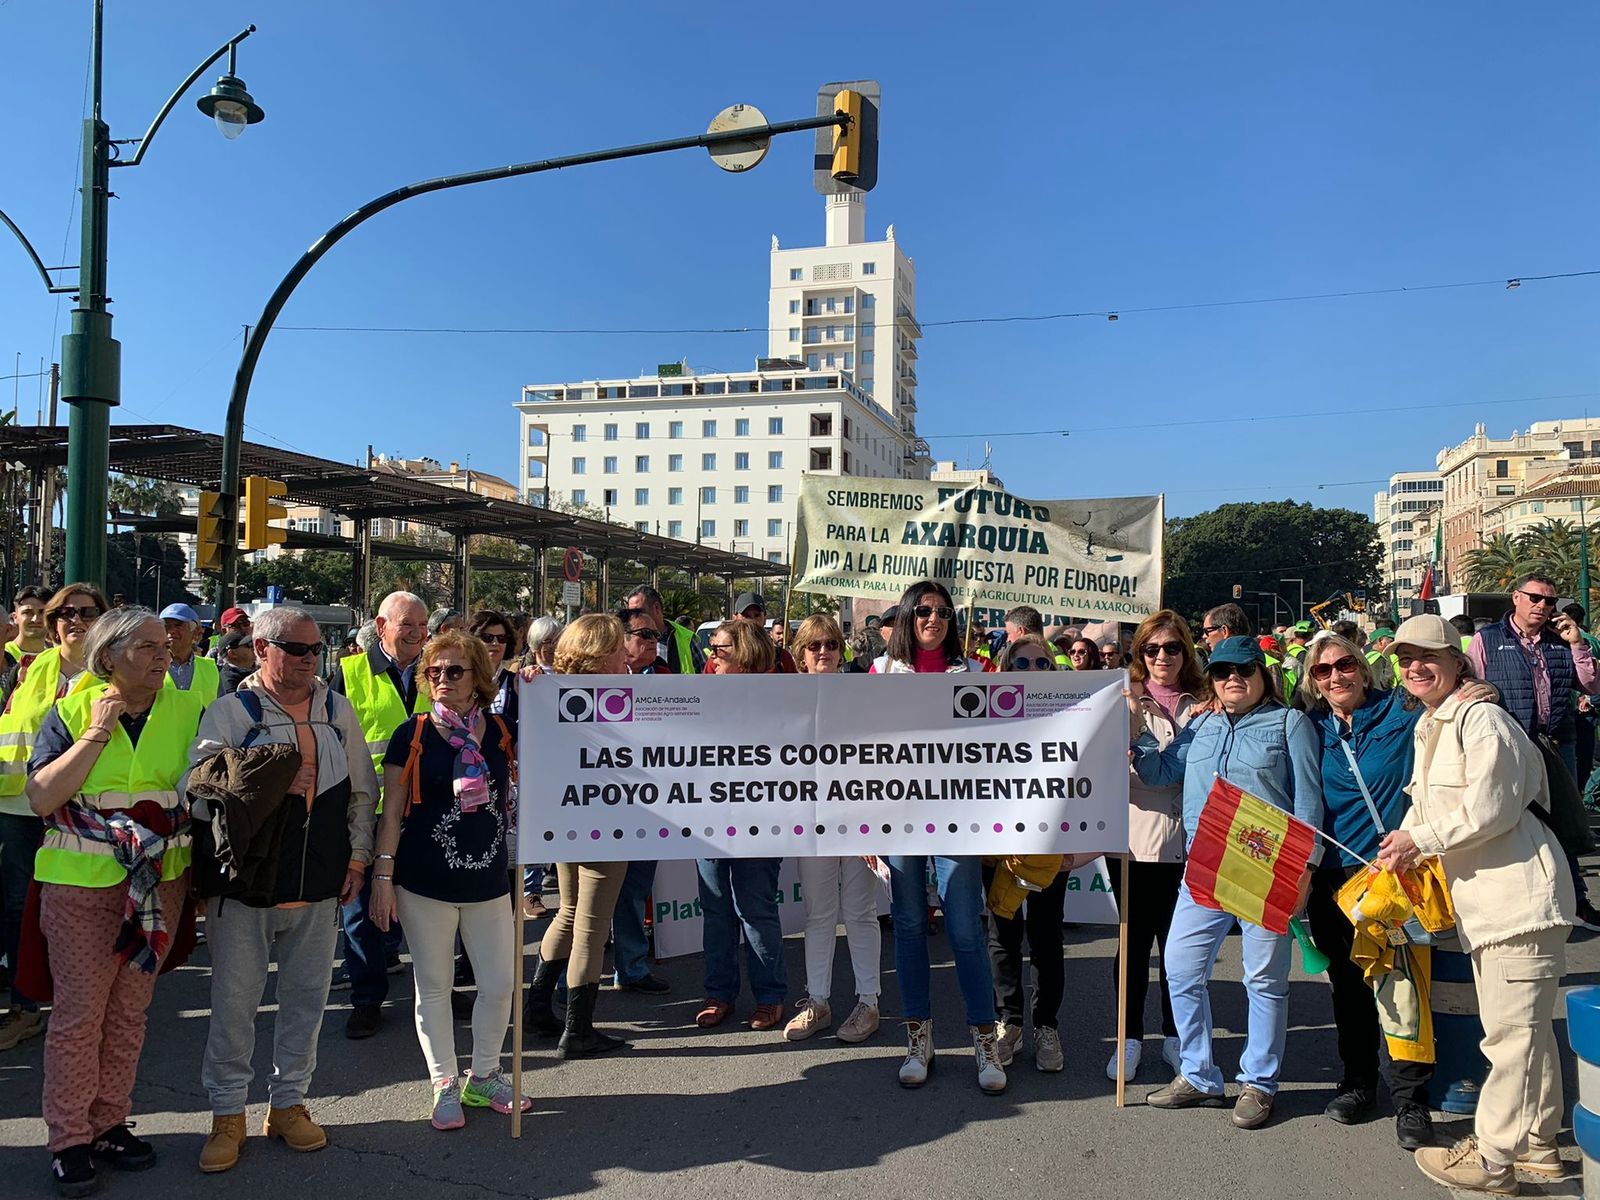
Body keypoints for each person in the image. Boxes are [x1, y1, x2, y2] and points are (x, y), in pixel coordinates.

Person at [1379, 614, 1577, 1194]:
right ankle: (1538, 1148)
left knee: (1510, 1038)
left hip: (1520, 900)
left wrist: (1422, 840)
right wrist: (1401, 845)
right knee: (1526, 1033)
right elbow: (1430, 808)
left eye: (1429, 657)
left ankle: (1492, 1159)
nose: (1416, 667)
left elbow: (1494, 806)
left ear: (1458, 662)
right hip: (1490, 905)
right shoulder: (1432, 724)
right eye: (1405, 658)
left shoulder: (1480, 718)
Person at [187, 607, 379, 1171]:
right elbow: (196, 790)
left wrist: (359, 858)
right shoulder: (228, 711)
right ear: (263, 648)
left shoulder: (337, 709)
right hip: (244, 886)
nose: (309, 660)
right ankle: (227, 1114)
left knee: (306, 1003)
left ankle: (289, 1103)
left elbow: (362, 794)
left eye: (315, 650)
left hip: (319, 882)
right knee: (234, 1006)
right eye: (296, 650)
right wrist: (265, 777)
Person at [25, 606, 203, 1194]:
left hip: (159, 884)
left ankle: (107, 1123)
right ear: (109, 658)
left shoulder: (187, 710)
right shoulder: (73, 710)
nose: (163, 655)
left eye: (165, 645)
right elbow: (41, 796)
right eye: (148, 646)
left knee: (128, 1013)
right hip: (81, 887)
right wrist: (96, 731)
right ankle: (69, 1137)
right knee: (79, 1019)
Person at [1134, 636, 1322, 1129]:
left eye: (1243, 670)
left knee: (1263, 980)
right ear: (1211, 679)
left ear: (1262, 674)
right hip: (1204, 867)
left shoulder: (1290, 723)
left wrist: (1306, 870)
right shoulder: (1202, 725)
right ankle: (1198, 1074)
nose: (1232, 679)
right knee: (1179, 968)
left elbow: (1307, 803)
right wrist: (1136, 733)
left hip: (1267, 869)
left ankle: (1258, 1082)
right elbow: (1159, 772)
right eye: (1221, 672)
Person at [370, 629, 529, 1128]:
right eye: (434, 671)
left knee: (500, 983)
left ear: (477, 678)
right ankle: (443, 1082)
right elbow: (391, 812)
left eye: (454, 671)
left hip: (488, 881)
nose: (441, 679)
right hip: (423, 882)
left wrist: (543, 682)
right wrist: (382, 875)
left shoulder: (503, 732)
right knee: (434, 986)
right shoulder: (412, 734)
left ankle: (483, 1076)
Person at [1298, 632, 1439, 1151]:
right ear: (1312, 680)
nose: (1336, 676)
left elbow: (1445, 695)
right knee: (1349, 988)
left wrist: (1477, 689)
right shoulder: (1309, 727)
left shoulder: (1402, 715)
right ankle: (1359, 1084)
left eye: (1345, 664)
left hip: (1390, 876)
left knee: (1401, 989)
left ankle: (1411, 1100)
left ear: (1364, 667)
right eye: (1322, 670)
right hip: (1334, 880)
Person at [871, 580, 1006, 1093]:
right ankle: (918, 1037)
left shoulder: (971, 672)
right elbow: (863, 751)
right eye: (924, 610)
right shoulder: (881, 672)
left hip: (958, 816)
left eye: (944, 612)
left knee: (966, 930)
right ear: (907, 616)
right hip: (897, 816)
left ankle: (983, 1041)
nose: (935, 618)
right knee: (907, 926)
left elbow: (992, 746)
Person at [0, 583, 107, 1054]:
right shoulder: (28, 669)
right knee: (21, 910)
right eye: (64, 612)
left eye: (86, 612)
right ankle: (26, 1007)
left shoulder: (116, 672)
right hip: (19, 807)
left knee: (81, 914)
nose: (74, 620)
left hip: (82, 816)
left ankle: (86, 1005)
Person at [522, 615, 634, 1056]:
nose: (626, 655)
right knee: (591, 923)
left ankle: (537, 1007)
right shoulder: (613, 697)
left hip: (563, 818)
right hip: (605, 819)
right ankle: (579, 1029)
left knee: (568, 912)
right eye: (619, 649)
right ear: (601, 653)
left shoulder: (549, 691)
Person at [1467, 571, 1600, 930]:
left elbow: (1590, 684)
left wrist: (1577, 643)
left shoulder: (1561, 641)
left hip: (1558, 744)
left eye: (1550, 601)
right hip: (1510, 743)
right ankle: (1515, 901)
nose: (1542, 606)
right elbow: (1469, 684)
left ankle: (1576, 900)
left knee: (1565, 821)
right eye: (1535, 598)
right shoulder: (1488, 639)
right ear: (1516, 598)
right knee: (1508, 818)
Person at [328, 590, 431, 1038]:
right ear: (381, 625)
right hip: (366, 809)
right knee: (360, 907)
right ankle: (367, 999)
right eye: (407, 624)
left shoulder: (436, 669)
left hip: (427, 806)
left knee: (430, 904)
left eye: (423, 626)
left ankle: (437, 991)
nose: (417, 634)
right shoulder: (347, 674)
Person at [1108, 610, 1202, 1083]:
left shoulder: (1206, 700)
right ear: (1138, 653)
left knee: (1181, 952)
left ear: (1186, 651)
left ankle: (1176, 1036)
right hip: (1135, 839)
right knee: (1133, 945)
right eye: (1151, 648)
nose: (1162, 657)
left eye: (1171, 648)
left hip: (1194, 841)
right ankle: (1128, 1038)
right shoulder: (1121, 700)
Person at [784, 614, 880, 1044]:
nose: (823, 652)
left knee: (860, 912)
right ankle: (818, 1002)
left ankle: (869, 1002)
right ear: (801, 654)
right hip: (811, 820)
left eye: (831, 644)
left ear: (842, 650)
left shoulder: (861, 693)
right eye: (814, 646)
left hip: (859, 817)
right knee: (819, 914)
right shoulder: (784, 697)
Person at [693, 619, 789, 1030]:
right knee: (715, 910)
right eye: (711, 648)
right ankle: (719, 993)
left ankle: (770, 997)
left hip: (760, 819)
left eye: (721, 648)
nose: (712, 656)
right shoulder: (697, 691)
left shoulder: (779, 694)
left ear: (746, 651)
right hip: (708, 820)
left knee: (756, 909)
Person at [985, 635, 1070, 1072]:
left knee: (1046, 938)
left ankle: (1046, 1025)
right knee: (1003, 938)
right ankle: (1010, 1022)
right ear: (1006, 669)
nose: (1033, 670)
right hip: (1000, 848)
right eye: (1022, 663)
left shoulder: (1074, 717)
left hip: (1049, 848)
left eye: (1042, 663)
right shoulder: (984, 718)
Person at [604, 608, 669, 994]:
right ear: (621, 638)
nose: (651, 641)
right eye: (643, 634)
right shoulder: (592, 679)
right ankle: (569, 981)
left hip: (650, 802)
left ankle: (630, 968)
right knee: (587, 899)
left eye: (654, 635)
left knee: (635, 887)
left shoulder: (664, 677)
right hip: (604, 801)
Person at [624, 585, 705, 675]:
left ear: (657, 607)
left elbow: (703, 679)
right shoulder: (622, 639)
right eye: (631, 613)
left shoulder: (686, 638)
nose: (634, 617)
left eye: (639, 611)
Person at [467, 609, 520, 728]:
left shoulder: (516, 682)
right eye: (487, 637)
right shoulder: (462, 678)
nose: (495, 643)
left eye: (502, 638)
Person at [159, 603, 220, 705]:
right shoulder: (149, 665)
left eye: (178, 625)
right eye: (166, 626)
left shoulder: (211, 668)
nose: (171, 631)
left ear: (196, 631)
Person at [731, 592, 796, 672]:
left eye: (757, 615)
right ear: (734, 618)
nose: (752, 621)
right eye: (746, 616)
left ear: (765, 618)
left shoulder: (782, 657)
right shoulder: (721, 657)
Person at [214, 632, 257, 697]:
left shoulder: (254, 670)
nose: (253, 648)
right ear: (232, 653)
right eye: (249, 645)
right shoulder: (229, 681)